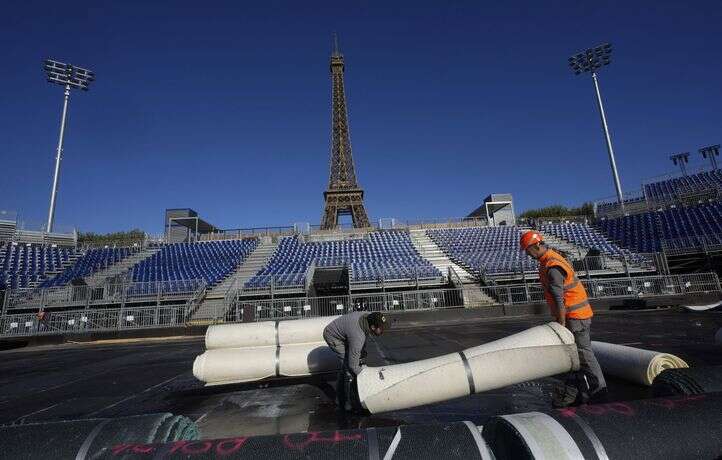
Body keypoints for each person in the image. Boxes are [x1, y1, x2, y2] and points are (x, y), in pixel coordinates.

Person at [520, 230, 608, 406]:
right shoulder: (550, 260)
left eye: (528, 251)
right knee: (574, 356)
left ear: (537, 245)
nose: (529, 255)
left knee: (584, 355)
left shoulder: (552, 266)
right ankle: (579, 391)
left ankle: (600, 392)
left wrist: (560, 325)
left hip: (575, 317)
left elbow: (560, 300)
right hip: (575, 316)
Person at [323, 311, 387, 411]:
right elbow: (353, 366)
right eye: (381, 328)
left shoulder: (368, 317)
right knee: (348, 368)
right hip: (332, 335)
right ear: (373, 327)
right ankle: (345, 402)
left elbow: (363, 336)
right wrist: (365, 376)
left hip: (346, 332)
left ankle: (341, 396)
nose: (383, 330)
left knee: (354, 360)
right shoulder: (358, 337)